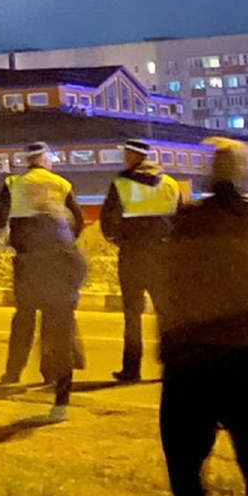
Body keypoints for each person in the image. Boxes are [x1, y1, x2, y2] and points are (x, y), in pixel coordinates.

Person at [156, 138, 248, 496]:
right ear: (243, 174)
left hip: (187, 356)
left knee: (184, 470)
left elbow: (168, 282)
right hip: (238, 351)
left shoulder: (186, 220)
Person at [0, 141, 87, 422]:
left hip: (27, 262)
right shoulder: (61, 184)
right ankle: (52, 375)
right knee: (56, 321)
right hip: (58, 260)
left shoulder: (12, 182)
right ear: (45, 160)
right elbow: (78, 221)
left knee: (24, 316)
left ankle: (13, 372)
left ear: (28, 161)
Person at [99, 138, 183, 383]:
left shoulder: (122, 184)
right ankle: (172, 366)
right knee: (166, 314)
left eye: (126, 154)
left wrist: (121, 241)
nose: (124, 158)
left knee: (132, 315)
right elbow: (180, 220)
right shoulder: (170, 183)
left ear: (135, 156)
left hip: (133, 257)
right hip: (163, 258)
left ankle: (131, 370)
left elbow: (109, 222)